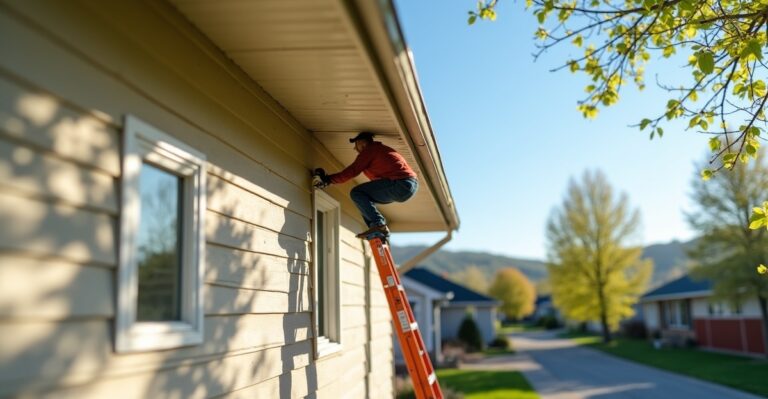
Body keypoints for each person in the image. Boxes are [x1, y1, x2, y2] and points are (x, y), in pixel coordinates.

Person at [314, 132, 419, 238]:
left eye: (356, 145)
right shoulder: (380, 150)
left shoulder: (370, 150)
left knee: (357, 193)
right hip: (408, 185)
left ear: (363, 143)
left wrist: (328, 180)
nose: (355, 149)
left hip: (400, 184)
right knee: (364, 199)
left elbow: (352, 171)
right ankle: (377, 231)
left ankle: (379, 226)